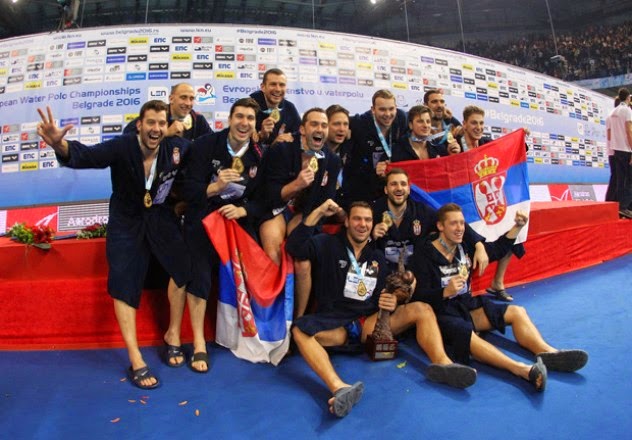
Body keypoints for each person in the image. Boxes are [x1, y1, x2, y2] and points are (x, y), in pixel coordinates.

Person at [36, 101, 198, 388]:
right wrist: (60, 145)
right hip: (126, 218)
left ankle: (173, 334)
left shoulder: (177, 148)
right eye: (151, 122)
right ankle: (136, 357)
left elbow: (200, 163)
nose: (156, 129)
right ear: (139, 125)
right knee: (123, 280)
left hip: (160, 216)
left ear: (167, 126)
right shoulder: (122, 146)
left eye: (161, 123)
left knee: (182, 268)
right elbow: (87, 156)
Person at [287, 199, 478, 418]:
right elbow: (295, 246)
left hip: (370, 323)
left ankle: (443, 364)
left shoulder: (376, 256)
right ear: (347, 221)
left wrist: (395, 299)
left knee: (422, 309)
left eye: (368, 220)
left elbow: (388, 292)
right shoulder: (327, 244)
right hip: (336, 324)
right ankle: (339, 387)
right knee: (300, 330)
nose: (363, 224)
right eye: (357, 219)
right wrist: (320, 210)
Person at [410, 203, 589, 392]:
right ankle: (521, 369)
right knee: (466, 333)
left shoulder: (464, 246)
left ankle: (547, 352)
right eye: (454, 223)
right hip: (441, 312)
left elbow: (497, 249)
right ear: (440, 226)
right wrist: (444, 292)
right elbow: (418, 296)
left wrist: (517, 227)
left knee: (517, 312)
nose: (460, 228)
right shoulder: (423, 254)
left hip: (466, 305)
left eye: (462, 223)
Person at [180, 97, 266, 371]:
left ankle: (249, 331)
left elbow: (265, 198)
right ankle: (199, 343)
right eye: (239, 116)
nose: (244, 123)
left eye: (250, 118)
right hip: (205, 217)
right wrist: (215, 188)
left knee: (254, 265)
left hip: (237, 218)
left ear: (255, 125)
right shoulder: (205, 145)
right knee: (200, 275)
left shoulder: (260, 154)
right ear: (229, 119)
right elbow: (187, 190)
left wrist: (244, 210)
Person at [458, 105, 526, 301]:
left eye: (481, 123)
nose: (478, 127)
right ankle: (465, 289)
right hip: (466, 204)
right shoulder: (455, 147)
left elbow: (509, 152)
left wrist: (521, 138)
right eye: (474, 123)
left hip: (487, 199)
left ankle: (498, 282)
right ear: (464, 124)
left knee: (511, 226)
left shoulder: (487, 143)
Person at [372, 168, 488, 274]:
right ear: (386, 189)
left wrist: (478, 244)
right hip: (383, 274)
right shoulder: (373, 212)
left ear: (408, 189)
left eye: (403, 184)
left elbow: (452, 221)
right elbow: (362, 244)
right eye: (393, 184)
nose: (399, 188)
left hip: (416, 275)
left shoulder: (422, 212)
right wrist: (371, 236)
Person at [341, 89, 408, 207]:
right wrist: (343, 130)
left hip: (389, 185)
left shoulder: (402, 119)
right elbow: (336, 120)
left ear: (396, 108)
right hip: (361, 186)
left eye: (391, 109)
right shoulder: (359, 123)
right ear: (373, 109)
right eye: (382, 109)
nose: (388, 114)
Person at [124, 83, 212, 141]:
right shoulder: (156, 114)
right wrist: (165, 133)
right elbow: (127, 138)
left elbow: (214, 144)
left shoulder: (198, 120)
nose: (188, 103)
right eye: (183, 97)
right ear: (171, 99)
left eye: (191, 99)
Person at [249, 68, 301, 146]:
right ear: (263, 87)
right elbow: (241, 144)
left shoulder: (290, 107)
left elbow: (300, 136)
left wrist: (289, 138)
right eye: (273, 84)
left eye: (282, 85)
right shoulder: (248, 108)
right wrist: (261, 136)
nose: (278, 89)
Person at [391, 105, 460, 161]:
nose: (425, 125)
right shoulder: (397, 149)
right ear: (410, 125)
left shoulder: (439, 148)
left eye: (428, 121)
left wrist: (452, 155)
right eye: (420, 121)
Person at [605, 88, 632, 219]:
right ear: (628, 98)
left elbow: (610, 135)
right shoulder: (627, 111)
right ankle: (624, 207)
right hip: (626, 149)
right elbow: (629, 131)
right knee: (628, 180)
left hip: (616, 150)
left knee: (620, 180)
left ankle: (620, 207)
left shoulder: (612, 112)